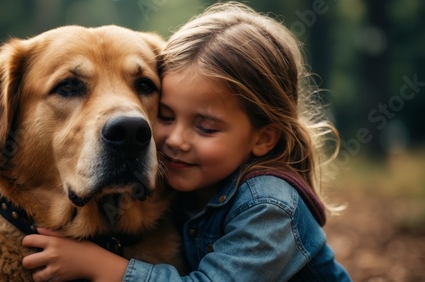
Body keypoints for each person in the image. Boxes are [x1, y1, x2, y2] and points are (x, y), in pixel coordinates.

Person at [22, 2, 351, 281]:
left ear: (263, 138)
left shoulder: (269, 206)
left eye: (206, 127)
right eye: (165, 116)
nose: (175, 140)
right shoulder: (186, 182)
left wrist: (100, 266)